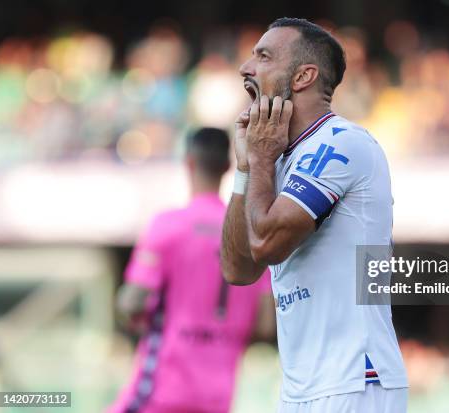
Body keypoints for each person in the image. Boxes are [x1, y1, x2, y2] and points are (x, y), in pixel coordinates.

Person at [220, 18, 408, 413]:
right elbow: (238, 270)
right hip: (300, 388)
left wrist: (261, 157)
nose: (246, 68)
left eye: (263, 57)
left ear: (304, 76)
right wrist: (246, 170)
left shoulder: (342, 142)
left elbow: (266, 244)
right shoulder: (278, 157)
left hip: (356, 382)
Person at [108, 128, 274, 413]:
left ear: (188, 163)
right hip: (218, 396)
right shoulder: (249, 234)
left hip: (162, 389)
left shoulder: (169, 226)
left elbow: (132, 302)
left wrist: (132, 316)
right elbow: (266, 325)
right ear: (226, 167)